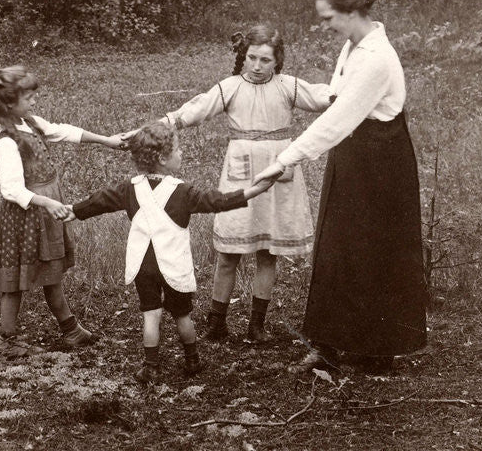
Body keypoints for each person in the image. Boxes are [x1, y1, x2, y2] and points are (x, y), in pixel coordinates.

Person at [252, 0, 426, 374]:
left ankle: (377, 350)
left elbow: (339, 117)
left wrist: (285, 159)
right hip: (353, 151)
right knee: (338, 244)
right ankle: (329, 343)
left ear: (351, 12)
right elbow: (336, 96)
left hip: (382, 158)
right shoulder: (354, 46)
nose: (325, 25)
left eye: (328, 17)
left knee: (376, 249)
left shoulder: (377, 57)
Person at [130, 25, 333, 343]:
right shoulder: (230, 87)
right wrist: (164, 122)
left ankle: (257, 324)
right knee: (229, 252)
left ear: (277, 60)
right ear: (243, 56)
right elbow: (196, 109)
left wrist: (350, 92)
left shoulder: (289, 87)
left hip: (279, 175)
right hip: (240, 175)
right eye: (252, 57)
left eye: (265, 60)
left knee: (268, 252)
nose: (257, 66)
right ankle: (217, 322)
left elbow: (324, 97)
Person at [62, 122, 277, 383]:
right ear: (163, 159)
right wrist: (252, 191)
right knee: (182, 315)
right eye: (177, 149)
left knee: (150, 315)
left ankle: (151, 366)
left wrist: (74, 210)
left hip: (143, 264)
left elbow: (101, 200)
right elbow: (216, 201)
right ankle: (192, 359)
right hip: (173, 264)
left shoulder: (129, 188)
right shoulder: (183, 192)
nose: (182, 153)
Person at [0, 65, 123, 359]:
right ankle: (8, 340)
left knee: (52, 272)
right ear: (9, 102)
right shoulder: (6, 139)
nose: (34, 102)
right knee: (16, 281)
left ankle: (71, 330)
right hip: (24, 218)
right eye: (29, 98)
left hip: (45, 210)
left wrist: (106, 140)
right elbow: (11, 190)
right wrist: (47, 203)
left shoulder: (28, 122)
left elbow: (61, 131)